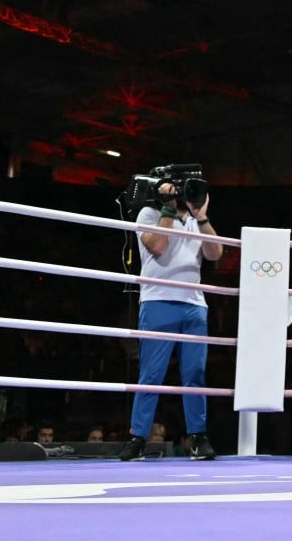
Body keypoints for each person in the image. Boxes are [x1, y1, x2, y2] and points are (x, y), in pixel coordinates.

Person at [117, 176, 222, 461]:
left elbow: (215, 253)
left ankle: (198, 438)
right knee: (151, 375)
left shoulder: (195, 220)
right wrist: (167, 209)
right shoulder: (149, 213)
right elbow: (157, 246)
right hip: (158, 301)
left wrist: (201, 218)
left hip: (194, 305)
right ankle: (138, 438)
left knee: (195, 375)